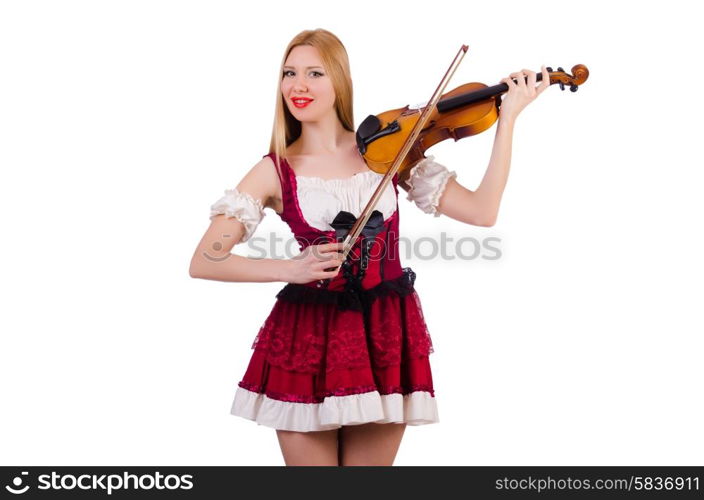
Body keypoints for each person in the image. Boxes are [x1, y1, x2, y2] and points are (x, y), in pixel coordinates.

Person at [189, 28, 549, 466]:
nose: (297, 85)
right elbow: (205, 260)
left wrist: (507, 119)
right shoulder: (273, 170)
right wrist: (291, 268)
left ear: (340, 81)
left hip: (385, 330)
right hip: (307, 333)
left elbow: (481, 211)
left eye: (314, 73)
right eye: (289, 73)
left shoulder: (387, 150)